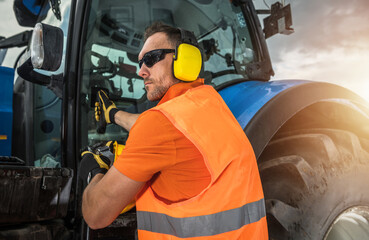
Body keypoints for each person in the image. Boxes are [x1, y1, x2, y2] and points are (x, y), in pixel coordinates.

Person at [79, 22, 268, 239]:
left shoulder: (161, 124)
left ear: (185, 59)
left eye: (151, 59)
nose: (141, 71)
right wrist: (112, 114)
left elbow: (95, 215)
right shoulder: (210, 105)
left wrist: (95, 168)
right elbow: (154, 125)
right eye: (140, 62)